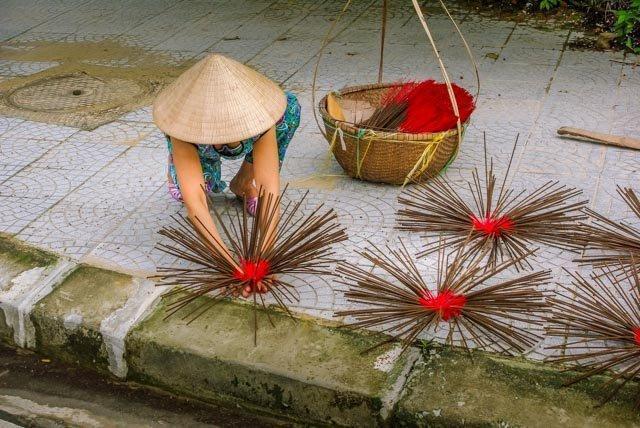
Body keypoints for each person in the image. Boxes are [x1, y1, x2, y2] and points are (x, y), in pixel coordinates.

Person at [153, 54, 300, 296]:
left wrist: (265, 256)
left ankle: (243, 182)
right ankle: (179, 166)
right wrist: (227, 266)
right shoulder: (185, 129)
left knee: (290, 109)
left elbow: (269, 187)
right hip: (197, 145)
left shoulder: (261, 118)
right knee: (197, 189)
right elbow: (197, 204)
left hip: (256, 133)